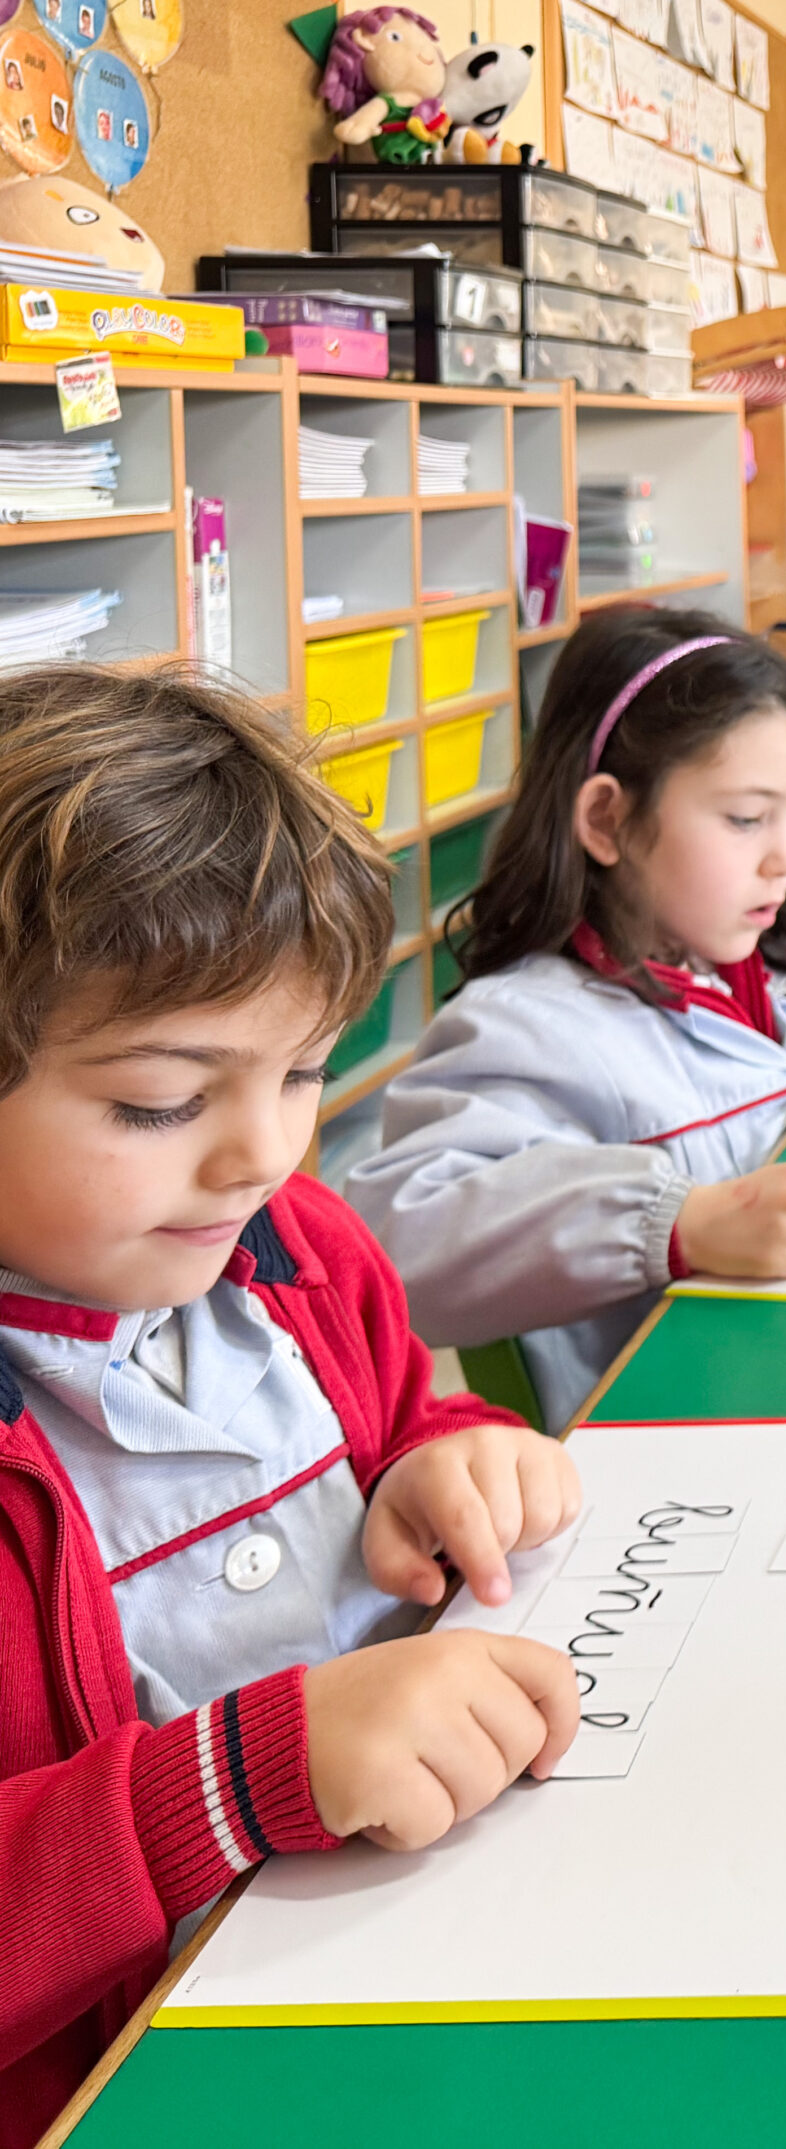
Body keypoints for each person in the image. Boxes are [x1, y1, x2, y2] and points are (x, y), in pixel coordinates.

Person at [0, 666, 582, 2143]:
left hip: (414, 1974)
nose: (259, 1149)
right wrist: (232, 1785)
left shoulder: (298, 1254)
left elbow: (399, 1426)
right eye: (158, 1102)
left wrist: (449, 1463)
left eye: (309, 1069)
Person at [349, 610, 786, 1431]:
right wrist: (678, 1223)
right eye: (745, 818)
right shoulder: (529, 1028)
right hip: (669, 1446)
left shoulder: (760, 957)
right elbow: (393, 1245)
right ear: (608, 820)